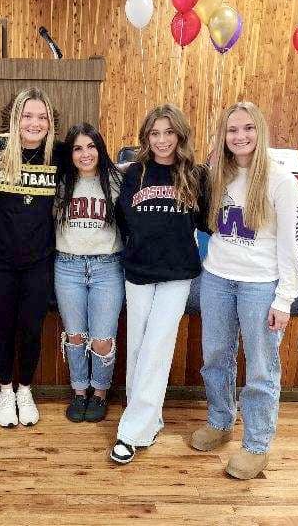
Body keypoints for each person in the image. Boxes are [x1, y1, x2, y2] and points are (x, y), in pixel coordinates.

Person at [190, 101, 298, 480]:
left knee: (261, 367)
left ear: (260, 131)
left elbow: (293, 247)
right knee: (215, 357)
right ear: (223, 135)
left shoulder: (281, 181)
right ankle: (220, 421)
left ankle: (256, 444)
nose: (240, 136)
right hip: (217, 278)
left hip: (260, 285)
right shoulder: (216, 176)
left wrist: (284, 298)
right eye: (232, 130)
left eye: (248, 128)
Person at [110, 104, 209, 464]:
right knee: (138, 347)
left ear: (180, 135)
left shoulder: (196, 175)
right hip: (138, 270)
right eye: (155, 133)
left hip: (177, 273)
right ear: (146, 137)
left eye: (169, 133)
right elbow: (122, 219)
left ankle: (130, 432)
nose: (162, 140)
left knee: (157, 348)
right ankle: (148, 421)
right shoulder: (133, 173)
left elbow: (206, 221)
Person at [0, 88, 61, 428]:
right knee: (4, 326)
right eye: (27, 115)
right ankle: (5, 391)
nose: (34, 123)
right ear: (15, 118)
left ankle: (25, 390)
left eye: (42, 117)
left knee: (31, 328)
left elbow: (95, 164)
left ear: (50, 122)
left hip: (39, 259)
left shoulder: (58, 153)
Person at [54, 123, 123, 423]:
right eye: (78, 148)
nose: (85, 154)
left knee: (102, 339)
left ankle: (100, 393)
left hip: (107, 266)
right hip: (67, 265)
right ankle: (80, 391)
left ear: (100, 149)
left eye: (91, 146)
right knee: (75, 337)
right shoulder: (61, 182)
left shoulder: (116, 180)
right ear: (70, 153)